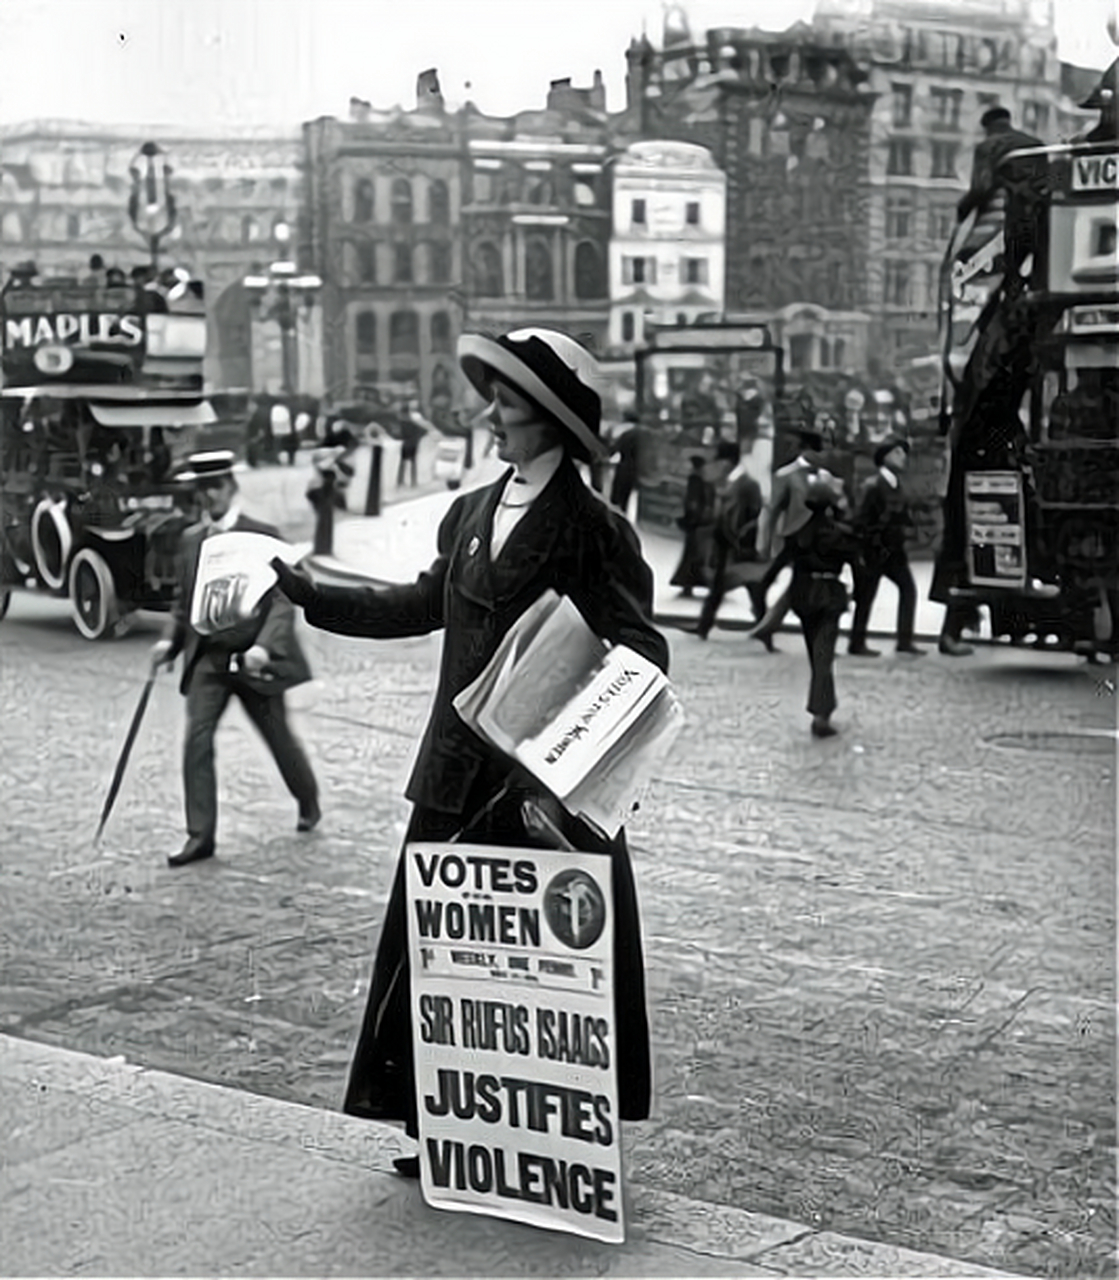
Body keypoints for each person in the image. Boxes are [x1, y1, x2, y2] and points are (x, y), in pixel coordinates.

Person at [270, 328, 668, 1177]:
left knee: (539, 977)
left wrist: (561, 761)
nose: (491, 415)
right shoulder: (473, 511)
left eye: (509, 403)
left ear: (551, 421)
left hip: (538, 798)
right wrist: (316, 596)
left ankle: (545, 1137)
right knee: (447, 959)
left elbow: (641, 659)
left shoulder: (596, 530)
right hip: (454, 780)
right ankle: (448, 1125)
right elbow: (423, 603)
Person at [150, 451, 319, 867]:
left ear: (230, 487)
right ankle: (200, 837)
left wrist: (263, 646)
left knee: (278, 737)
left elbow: (283, 600)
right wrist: (168, 643)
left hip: (254, 660)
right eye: (201, 490)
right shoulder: (192, 541)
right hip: (209, 659)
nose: (209, 497)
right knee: (197, 741)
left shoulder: (260, 535)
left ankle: (307, 799)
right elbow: (182, 602)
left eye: (215, 488)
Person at [749, 429, 844, 649]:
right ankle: (764, 626)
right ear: (805, 449)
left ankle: (769, 629)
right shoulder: (786, 475)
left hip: (816, 542)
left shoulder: (825, 476)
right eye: (817, 450)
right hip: (792, 539)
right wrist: (763, 542)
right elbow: (770, 511)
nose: (821, 455)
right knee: (766, 582)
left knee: (799, 587)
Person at [787, 481, 862, 739]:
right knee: (823, 657)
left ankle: (822, 708)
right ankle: (821, 714)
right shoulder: (839, 534)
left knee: (815, 654)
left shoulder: (799, 533)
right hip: (829, 595)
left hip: (804, 595)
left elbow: (780, 565)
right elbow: (858, 564)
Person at [847, 437, 925, 657]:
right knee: (866, 596)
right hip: (875, 550)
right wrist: (866, 548)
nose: (903, 458)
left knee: (908, 590)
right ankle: (857, 642)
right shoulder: (873, 485)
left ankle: (904, 640)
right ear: (885, 457)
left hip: (893, 551)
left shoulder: (896, 483)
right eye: (898, 453)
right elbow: (862, 520)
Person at [694, 442, 763, 640]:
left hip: (736, 543)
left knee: (751, 586)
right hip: (725, 542)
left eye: (719, 460)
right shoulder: (730, 482)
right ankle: (703, 625)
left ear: (727, 462)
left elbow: (753, 514)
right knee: (721, 586)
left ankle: (763, 624)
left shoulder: (748, 484)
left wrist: (742, 537)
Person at [669, 453, 713, 597]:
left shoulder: (695, 479)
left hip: (695, 521)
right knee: (698, 553)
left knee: (692, 553)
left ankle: (688, 584)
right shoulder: (705, 480)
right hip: (701, 521)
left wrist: (690, 516)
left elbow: (692, 501)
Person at [609, 411, 643, 515]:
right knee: (627, 500)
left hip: (624, 468)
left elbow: (614, 450)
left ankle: (614, 521)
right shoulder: (644, 435)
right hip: (638, 470)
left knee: (616, 499)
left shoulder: (626, 434)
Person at [396, 399, 429, 488]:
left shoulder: (401, 422)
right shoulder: (413, 421)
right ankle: (413, 482)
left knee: (402, 463)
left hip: (404, 444)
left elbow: (397, 433)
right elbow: (424, 430)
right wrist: (417, 437)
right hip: (413, 443)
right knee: (413, 463)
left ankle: (400, 481)